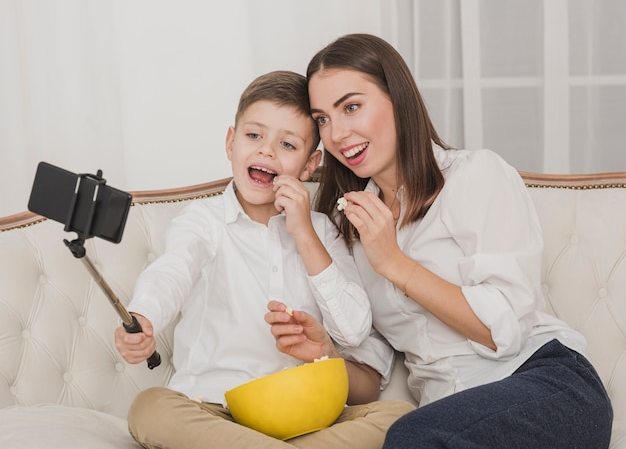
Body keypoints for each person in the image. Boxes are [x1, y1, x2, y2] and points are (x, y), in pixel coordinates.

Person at [267, 34, 613, 448]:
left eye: (352, 107)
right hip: (451, 415)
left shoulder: (474, 175)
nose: (338, 133)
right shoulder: (353, 226)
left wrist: (395, 263)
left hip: (545, 383)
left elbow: (503, 329)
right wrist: (327, 354)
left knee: (413, 436)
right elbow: (372, 378)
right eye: (323, 119)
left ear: (398, 98)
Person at [114, 69, 414, 449]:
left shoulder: (323, 231)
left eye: (288, 145)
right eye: (254, 135)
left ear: (309, 165)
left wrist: (304, 233)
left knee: (399, 419)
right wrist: (144, 316)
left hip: (309, 415)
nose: (266, 151)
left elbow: (354, 331)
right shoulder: (202, 222)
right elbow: (172, 271)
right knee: (150, 407)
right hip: (215, 410)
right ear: (230, 142)